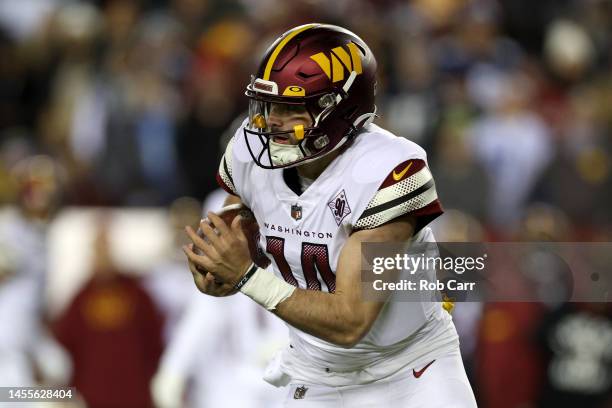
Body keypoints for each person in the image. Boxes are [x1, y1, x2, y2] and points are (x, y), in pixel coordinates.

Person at [183, 23, 477, 406]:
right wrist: (214, 269)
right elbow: (233, 237)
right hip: (316, 374)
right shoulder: (248, 154)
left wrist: (245, 276)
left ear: (338, 109)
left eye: (291, 108)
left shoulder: (389, 170)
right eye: (269, 105)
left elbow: (350, 320)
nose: (272, 121)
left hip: (412, 370)